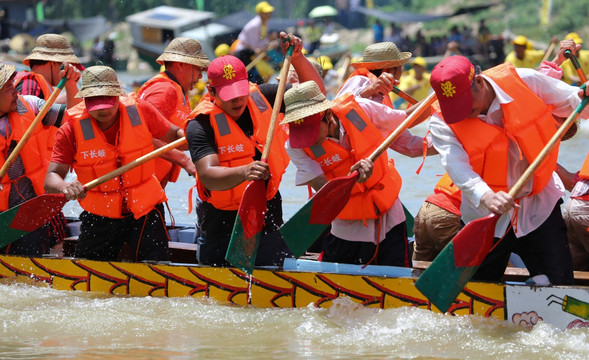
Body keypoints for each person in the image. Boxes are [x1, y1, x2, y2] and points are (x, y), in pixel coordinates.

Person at [428, 55, 589, 285]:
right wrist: (487, 196)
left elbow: (573, 103)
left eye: (465, 103)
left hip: (539, 207)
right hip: (487, 216)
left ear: (480, 82)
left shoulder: (526, 81)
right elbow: (456, 166)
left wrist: (583, 96)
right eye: (454, 106)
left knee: (559, 285)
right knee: (478, 296)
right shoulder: (441, 121)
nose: (461, 113)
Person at [185, 33, 324, 267]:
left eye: (240, 92)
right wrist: (244, 171)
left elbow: (315, 97)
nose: (238, 101)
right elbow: (208, 176)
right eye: (229, 96)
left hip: (266, 213)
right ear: (211, 92)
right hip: (221, 223)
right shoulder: (200, 124)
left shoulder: (265, 96)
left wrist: (298, 58)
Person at [44, 66, 187, 262]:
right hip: (100, 215)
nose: (102, 109)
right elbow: (51, 178)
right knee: (88, 279)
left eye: (107, 101)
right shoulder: (70, 130)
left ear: (118, 95)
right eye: (95, 102)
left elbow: (176, 135)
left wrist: (194, 136)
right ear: (84, 99)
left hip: (145, 210)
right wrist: (65, 186)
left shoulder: (141, 110)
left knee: (157, 268)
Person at [282, 81, 411, 267]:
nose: (306, 138)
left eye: (310, 129)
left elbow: (405, 119)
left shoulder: (362, 109)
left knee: (397, 276)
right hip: (346, 227)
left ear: (327, 115)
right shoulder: (294, 146)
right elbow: (323, 189)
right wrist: (352, 181)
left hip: (389, 218)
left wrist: (436, 108)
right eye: (300, 131)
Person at [0, 62, 80, 256]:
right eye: (9, 88)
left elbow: (73, 118)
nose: (15, 92)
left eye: (14, 86)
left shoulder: (29, 105)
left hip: (29, 215)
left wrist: (70, 86)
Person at [137, 37, 208, 189]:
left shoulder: (174, 88)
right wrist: (184, 160)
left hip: (150, 184)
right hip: (140, 184)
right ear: (181, 64)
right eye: (198, 68)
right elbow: (140, 135)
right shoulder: (165, 90)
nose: (201, 76)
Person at [344, 42, 435, 158]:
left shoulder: (383, 97)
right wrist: (437, 98)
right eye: (401, 67)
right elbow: (343, 107)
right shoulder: (359, 81)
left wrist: (452, 140)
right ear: (392, 71)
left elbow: (409, 146)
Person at [234, 1, 275, 84]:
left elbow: (259, 43)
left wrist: (268, 42)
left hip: (252, 53)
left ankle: (261, 90)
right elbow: (253, 45)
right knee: (253, 78)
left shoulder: (264, 24)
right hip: (244, 54)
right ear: (260, 13)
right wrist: (268, 43)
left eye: (269, 12)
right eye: (266, 12)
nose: (269, 14)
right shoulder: (254, 25)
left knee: (267, 73)